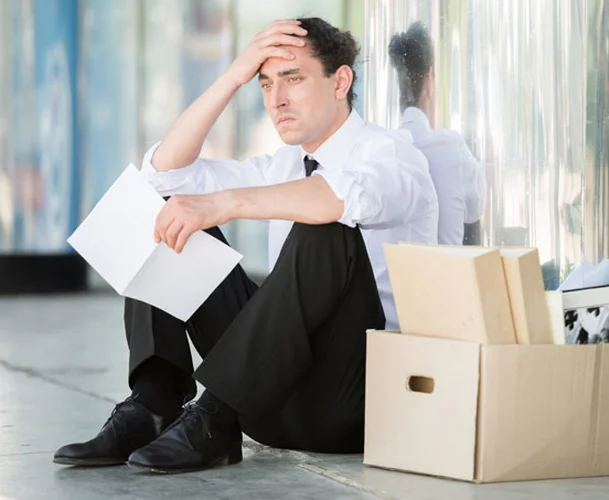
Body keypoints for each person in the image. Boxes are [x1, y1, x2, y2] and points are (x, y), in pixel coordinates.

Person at [53, 17, 438, 474]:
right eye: (265, 84)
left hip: (357, 401)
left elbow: (342, 198)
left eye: (293, 79)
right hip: (267, 394)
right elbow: (163, 173)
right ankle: (155, 404)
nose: (277, 99)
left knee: (326, 224)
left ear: (341, 81)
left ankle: (215, 414)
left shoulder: (392, 154)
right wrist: (234, 74)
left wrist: (226, 203)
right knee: (163, 203)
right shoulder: (283, 164)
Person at [389, 22, 485, 245]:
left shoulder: (379, 151)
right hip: (448, 276)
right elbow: (476, 208)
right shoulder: (450, 146)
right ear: (429, 81)